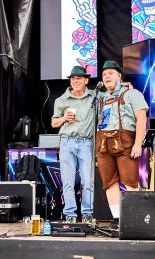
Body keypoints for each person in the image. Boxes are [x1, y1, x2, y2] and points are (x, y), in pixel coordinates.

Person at [96, 60, 149, 229]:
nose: (107, 77)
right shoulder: (100, 97)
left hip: (126, 141)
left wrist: (137, 144)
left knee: (130, 182)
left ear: (119, 76)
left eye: (110, 73)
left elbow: (141, 118)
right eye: (104, 74)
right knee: (109, 183)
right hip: (103, 143)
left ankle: (133, 220)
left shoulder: (132, 94)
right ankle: (118, 221)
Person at [51, 66, 96, 224]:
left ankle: (87, 214)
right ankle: (70, 214)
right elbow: (54, 123)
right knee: (68, 181)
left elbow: (112, 95)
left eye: (79, 79)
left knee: (87, 181)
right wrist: (63, 118)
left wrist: (123, 86)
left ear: (86, 80)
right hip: (67, 142)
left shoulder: (94, 96)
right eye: (73, 79)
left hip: (86, 142)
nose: (75, 81)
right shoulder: (61, 100)